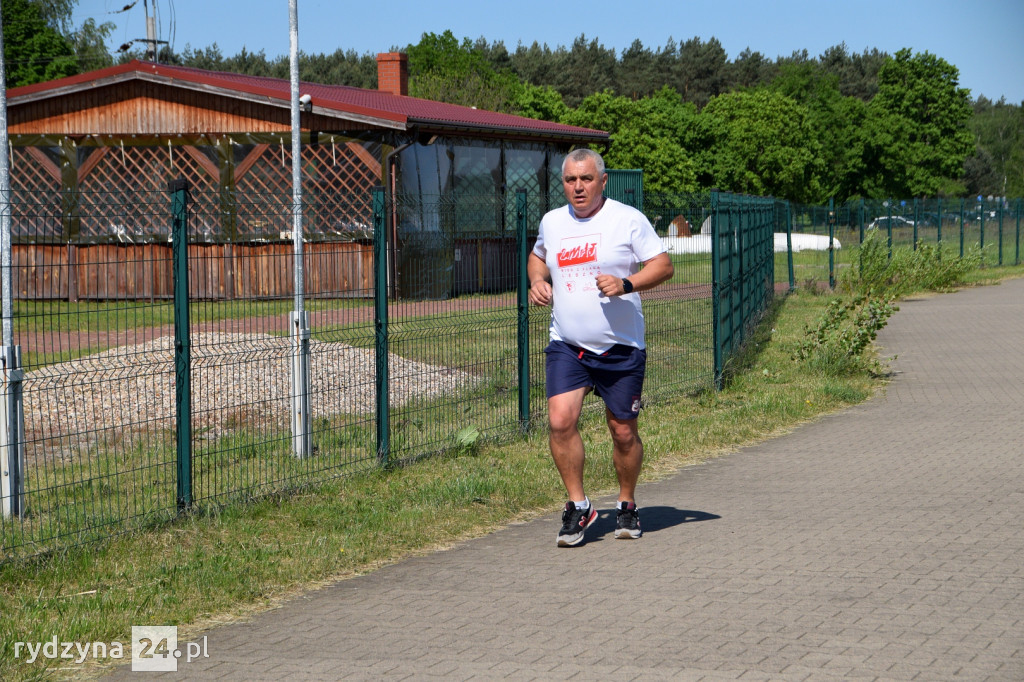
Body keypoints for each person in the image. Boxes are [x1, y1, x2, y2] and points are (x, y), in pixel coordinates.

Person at [528, 148, 674, 547]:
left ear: (602, 181)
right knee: (560, 421)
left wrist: (627, 284)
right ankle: (579, 506)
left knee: (623, 433)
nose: (578, 187)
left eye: (586, 179)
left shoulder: (627, 219)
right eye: (570, 180)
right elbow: (537, 257)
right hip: (568, 344)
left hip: (621, 348)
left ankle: (626, 504)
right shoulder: (553, 222)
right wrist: (537, 281)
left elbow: (663, 265)